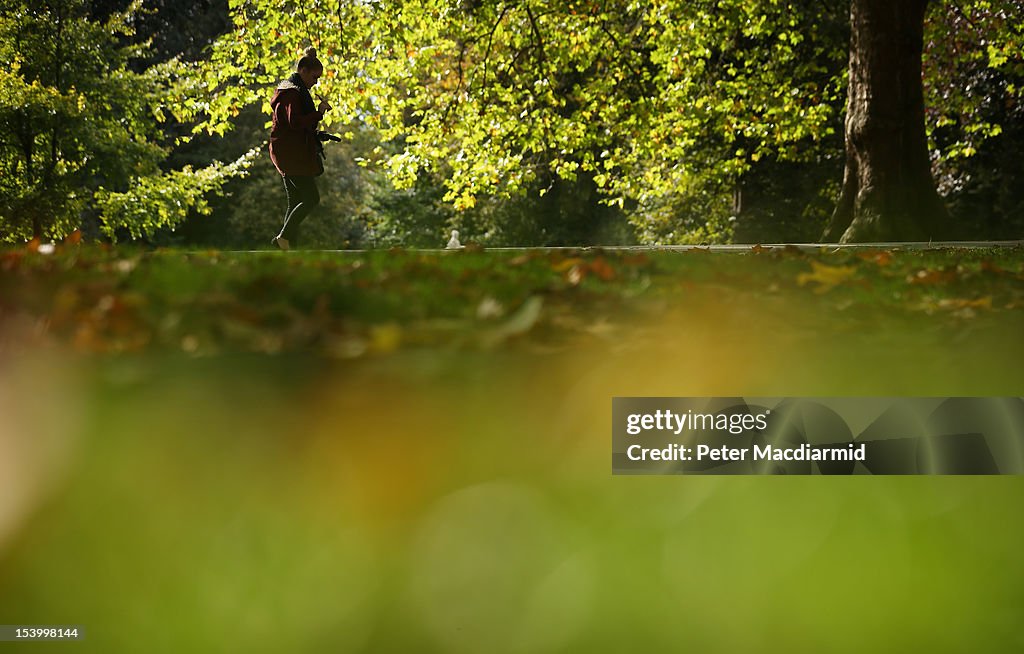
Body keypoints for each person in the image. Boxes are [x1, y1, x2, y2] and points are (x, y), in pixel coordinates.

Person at [269, 47, 332, 250]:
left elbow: (297, 126)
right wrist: (319, 113)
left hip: (289, 152)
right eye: (315, 77)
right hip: (291, 154)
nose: (316, 82)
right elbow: (295, 123)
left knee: (295, 200)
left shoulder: (295, 92)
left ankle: (287, 246)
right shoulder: (291, 94)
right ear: (303, 70)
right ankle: (283, 238)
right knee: (311, 198)